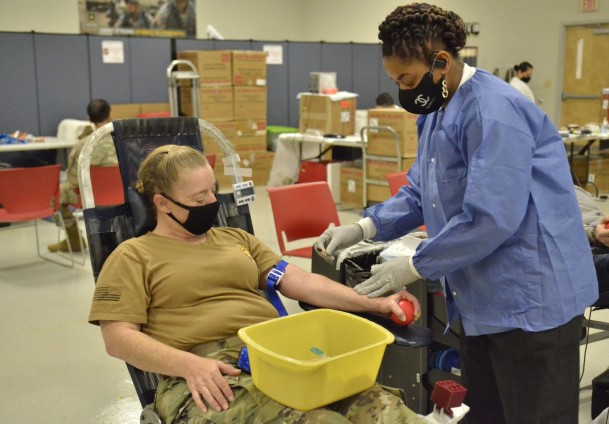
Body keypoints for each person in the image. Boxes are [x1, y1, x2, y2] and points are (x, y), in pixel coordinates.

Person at [314, 4, 598, 423]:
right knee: (487, 412)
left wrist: (415, 265)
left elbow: (491, 217)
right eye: (395, 82)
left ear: (441, 62)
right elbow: (420, 191)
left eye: (407, 80)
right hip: (483, 301)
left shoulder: (493, 112)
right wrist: (365, 226)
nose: (403, 91)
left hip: (532, 300)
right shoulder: (438, 111)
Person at [88, 144, 424, 423]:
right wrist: (190, 365)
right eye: (197, 197)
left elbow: (302, 282)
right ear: (162, 203)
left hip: (280, 357)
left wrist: (375, 303)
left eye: (211, 191)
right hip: (207, 375)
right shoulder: (133, 255)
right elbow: (118, 338)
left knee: (390, 412)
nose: (210, 203)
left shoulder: (236, 239)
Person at [48, 99, 116, 253]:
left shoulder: (83, 145)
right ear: (111, 115)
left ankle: (74, 240)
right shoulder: (122, 140)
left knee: (58, 194)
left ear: (89, 119)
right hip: (123, 194)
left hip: (92, 196)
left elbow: (73, 179)